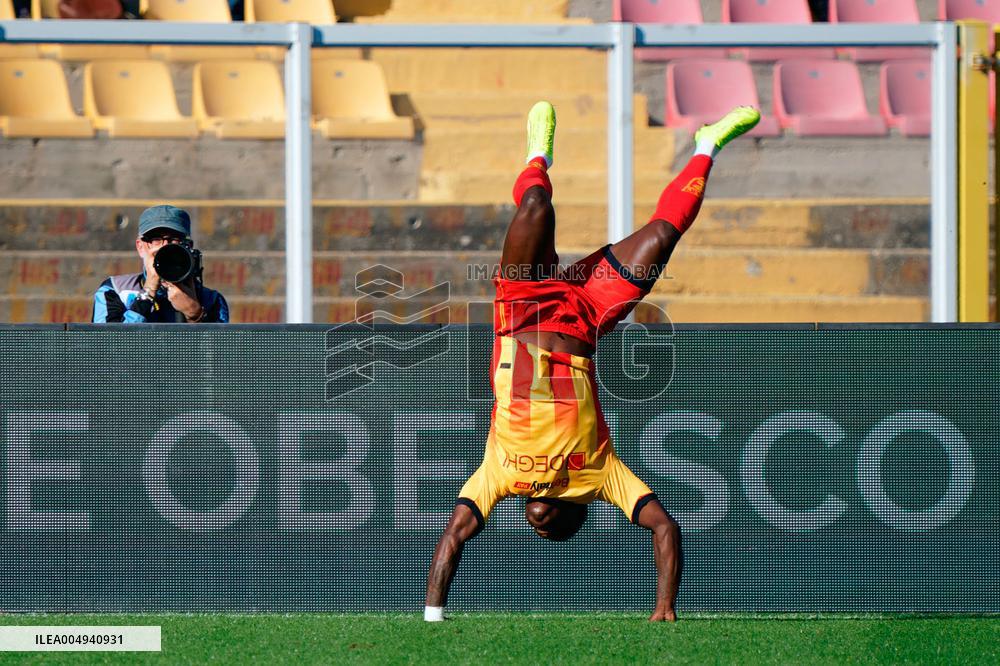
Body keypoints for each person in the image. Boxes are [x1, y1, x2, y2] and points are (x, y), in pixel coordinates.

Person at [423, 102, 761, 622]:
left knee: (536, 205)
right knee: (662, 237)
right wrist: (665, 606)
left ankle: (537, 152)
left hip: (523, 304)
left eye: (534, 528)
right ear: (573, 513)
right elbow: (664, 527)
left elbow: (453, 538)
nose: (536, 523)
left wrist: (432, 616)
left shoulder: (498, 475)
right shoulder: (601, 476)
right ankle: (707, 145)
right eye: (548, 528)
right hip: (587, 311)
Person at [92, 205, 229, 323]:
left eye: (174, 239)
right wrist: (148, 293)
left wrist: (195, 314)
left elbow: (217, 352)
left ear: (188, 247)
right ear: (140, 247)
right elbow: (108, 348)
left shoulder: (212, 300)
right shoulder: (114, 290)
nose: (165, 247)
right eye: (156, 239)